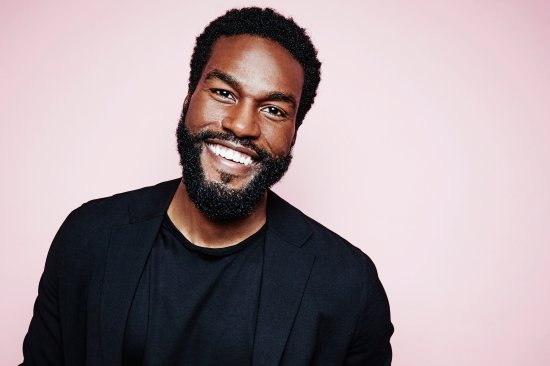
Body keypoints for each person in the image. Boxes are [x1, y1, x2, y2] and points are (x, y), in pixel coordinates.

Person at [21, 7, 393, 366]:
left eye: (274, 110)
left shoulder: (348, 287)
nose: (242, 125)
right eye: (224, 93)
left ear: (294, 133)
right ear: (188, 100)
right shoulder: (88, 236)